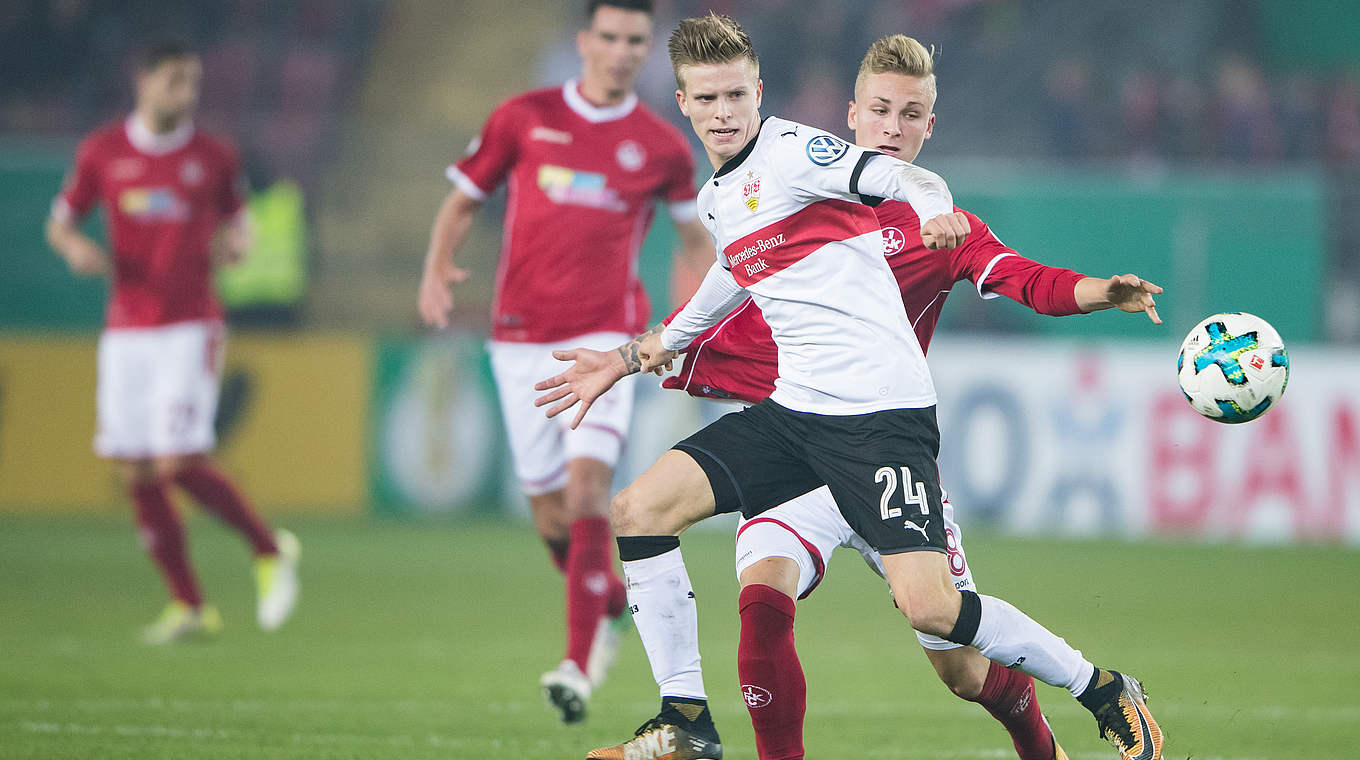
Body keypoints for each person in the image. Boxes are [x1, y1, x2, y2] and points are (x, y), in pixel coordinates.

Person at [535, 14, 1163, 760]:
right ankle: (684, 721)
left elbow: (919, 190)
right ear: (684, 104)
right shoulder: (721, 198)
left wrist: (946, 218)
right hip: (796, 416)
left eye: (736, 95)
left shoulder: (802, 155)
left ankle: (1101, 689)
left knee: (941, 629)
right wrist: (627, 358)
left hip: (879, 424)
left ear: (759, 93)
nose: (724, 113)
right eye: (708, 100)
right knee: (645, 514)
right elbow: (723, 284)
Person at [414, 0, 715, 724]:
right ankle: (608, 603)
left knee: (588, 498)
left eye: (634, 41)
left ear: (648, 51)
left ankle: (578, 665)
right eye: (608, 37)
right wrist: (436, 269)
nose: (619, 51)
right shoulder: (523, 116)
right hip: (518, 342)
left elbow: (695, 242)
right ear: (584, 42)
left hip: (604, 346)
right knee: (551, 520)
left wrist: (681, 328)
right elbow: (462, 201)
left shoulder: (662, 147)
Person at [45, 41, 299, 645]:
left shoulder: (212, 156)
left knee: (177, 461)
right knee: (136, 471)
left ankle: (270, 550)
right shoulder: (101, 152)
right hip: (127, 328)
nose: (187, 95)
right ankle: (189, 605)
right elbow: (61, 219)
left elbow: (242, 215)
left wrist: (240, 240)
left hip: (190, 324)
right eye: (175, 82)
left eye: (194, 83)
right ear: (144, 81)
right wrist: (74, 246)